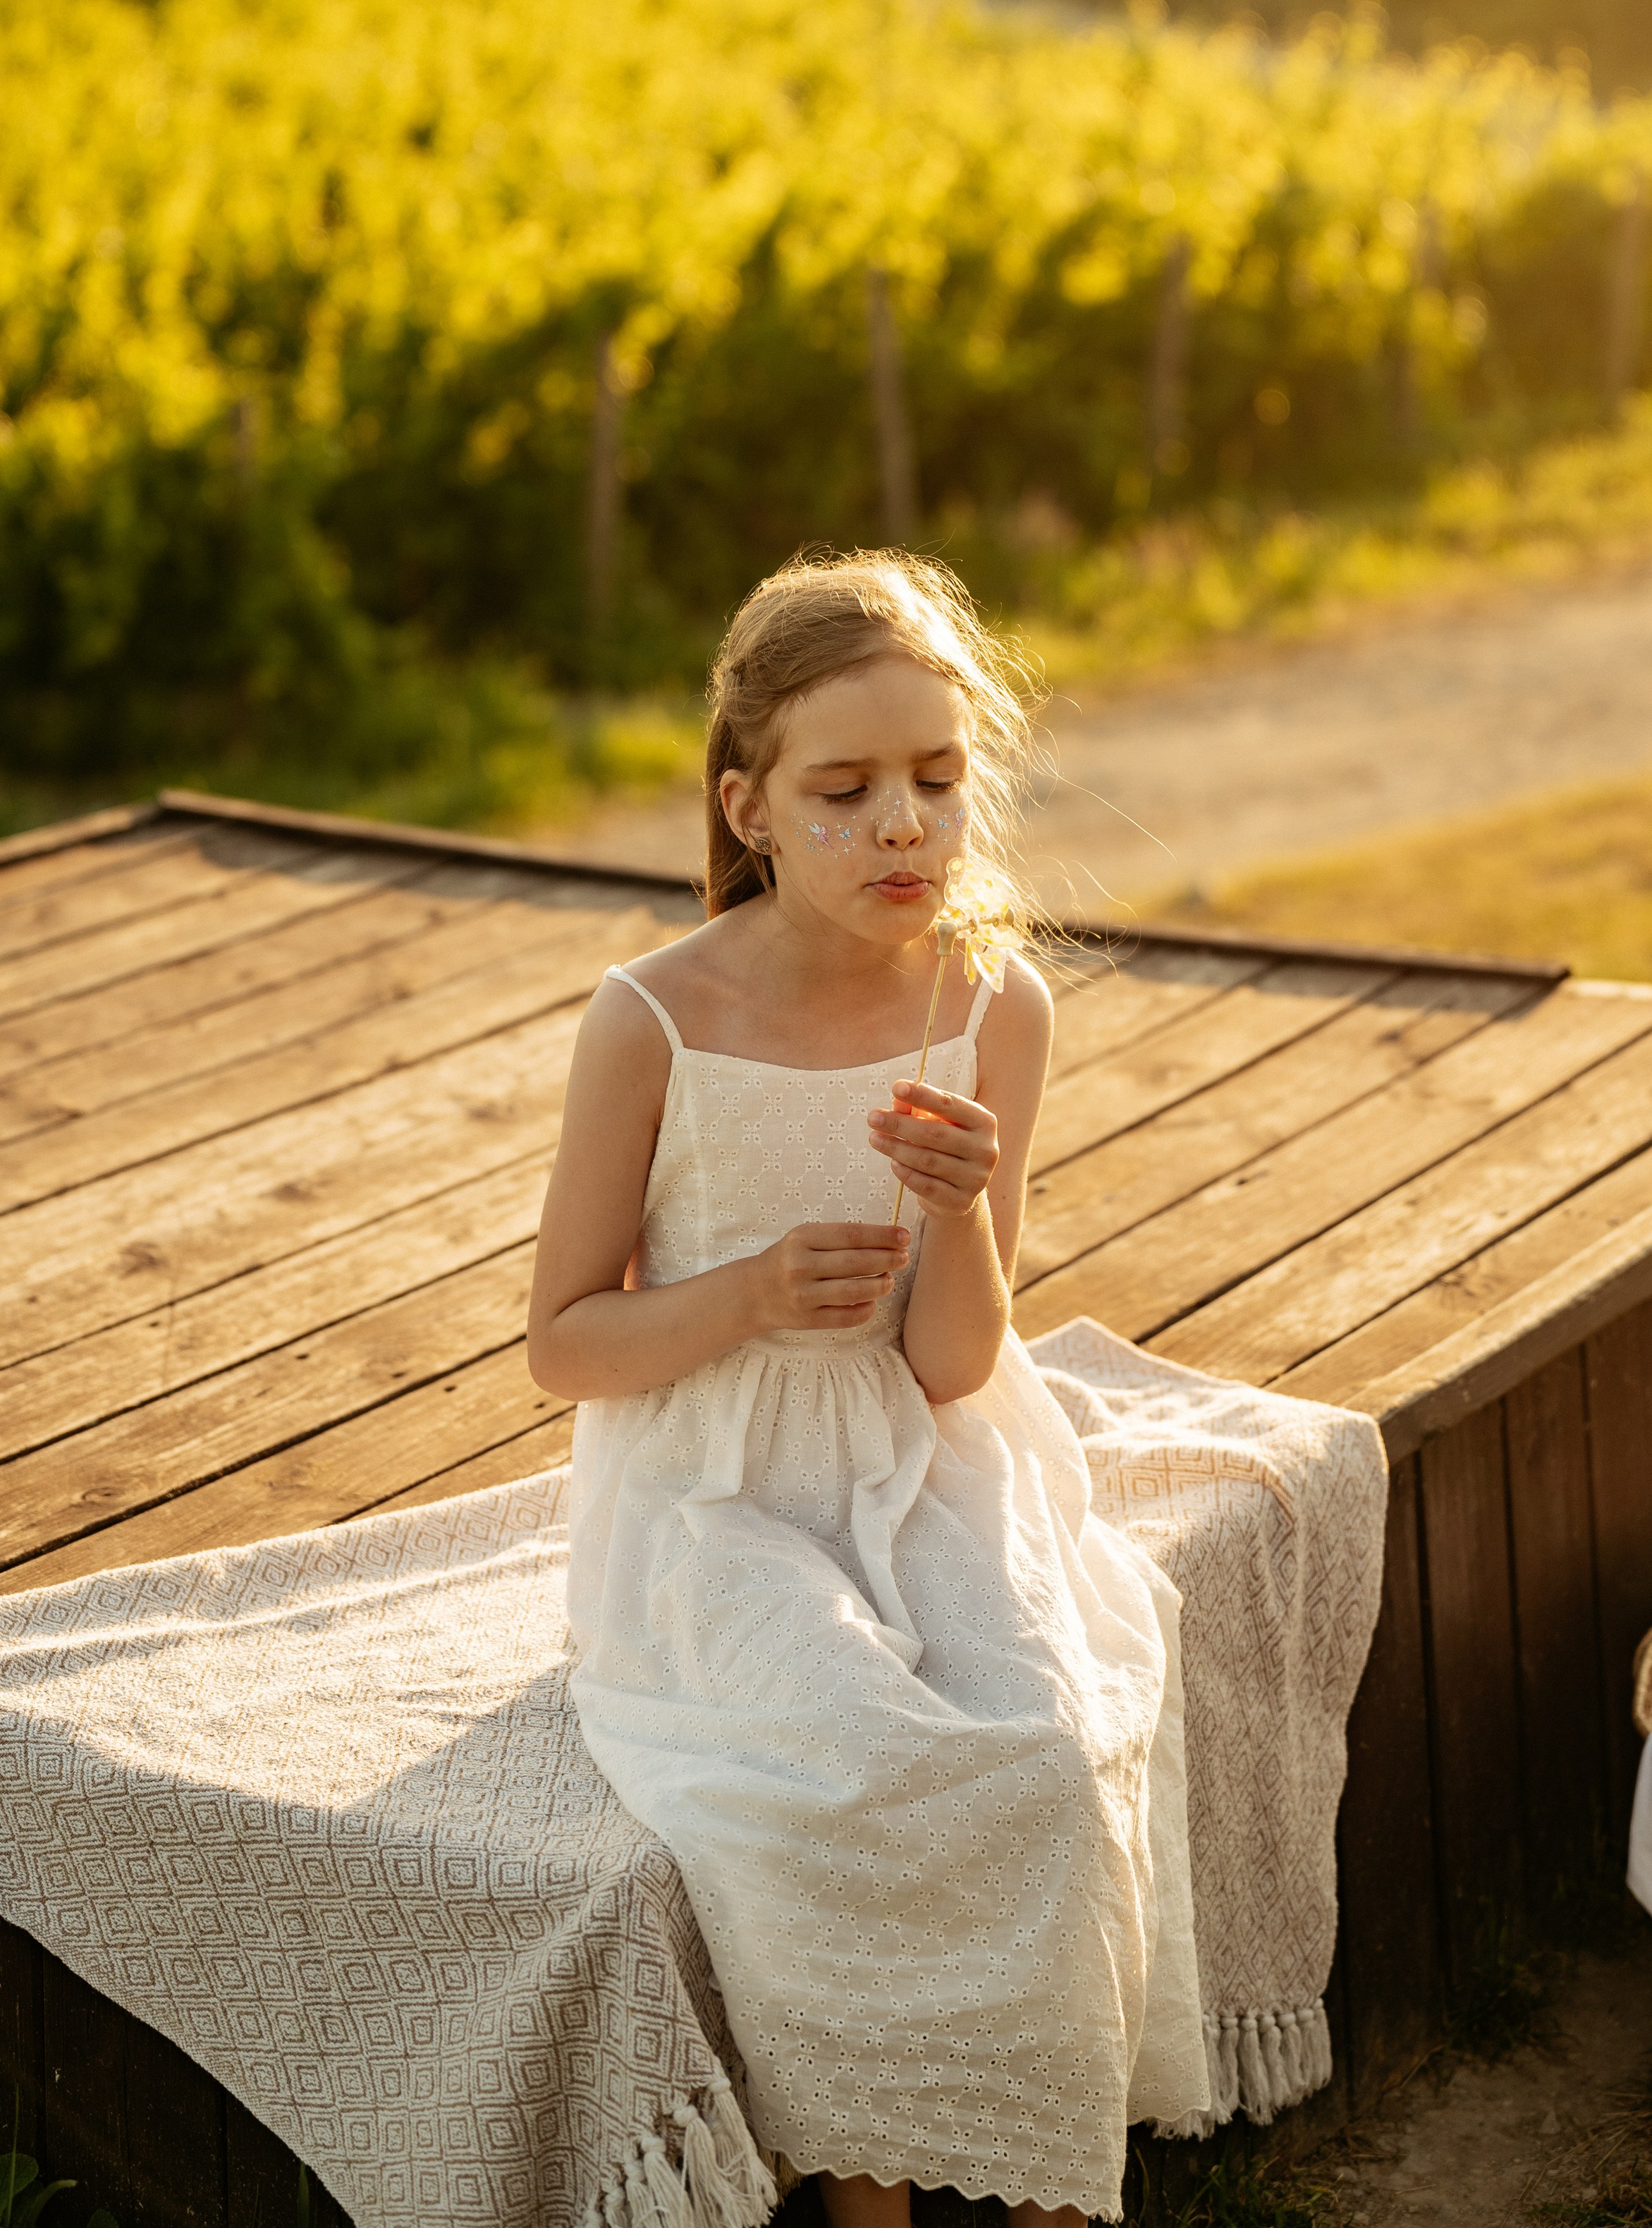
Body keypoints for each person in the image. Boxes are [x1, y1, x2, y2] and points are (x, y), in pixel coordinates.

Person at [528, 551, 1205, 2228]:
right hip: (711, 1491)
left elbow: (957, 1362)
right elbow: (560, 1343)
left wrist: (958, 1210)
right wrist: (744, 1296)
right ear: (748, 804)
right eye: (845, 791)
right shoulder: (654, 1022)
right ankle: (868, 2201)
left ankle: (1048, 2184)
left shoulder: (990, 1001)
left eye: (935, 779)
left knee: (1046, 1753)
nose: (902, 825)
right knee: (846, 1759)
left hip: (919, 1456)